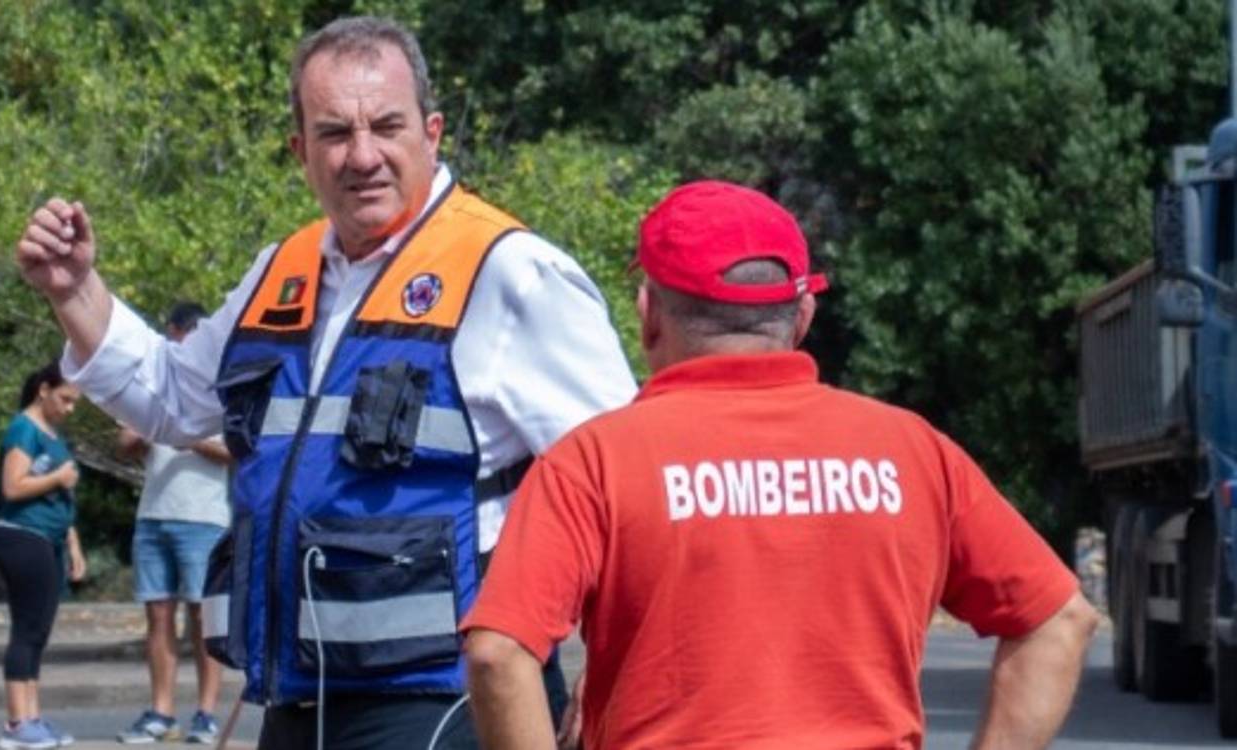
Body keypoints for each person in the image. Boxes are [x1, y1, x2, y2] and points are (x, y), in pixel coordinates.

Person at [14, 15, 636, 749]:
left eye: (387, 126)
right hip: (296, 701)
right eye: (335, 132)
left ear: (432, 133)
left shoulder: (511, 271)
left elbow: (623, 485)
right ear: (300, 150)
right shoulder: (282, 269)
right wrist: (75, 292)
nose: (362, 155)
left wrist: (616, 666)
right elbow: (173, 400)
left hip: (444, 702)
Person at [462, 180, 1101, 749]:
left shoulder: (594, 461)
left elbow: (497, 653)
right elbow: (1058, 620)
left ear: (649, 313)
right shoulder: (913, 451)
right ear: (802, 316)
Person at [115, 302, 232, 745]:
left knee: (203, 618)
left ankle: (205, 713)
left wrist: (187, 434)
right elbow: (126, 439)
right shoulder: (155, 384)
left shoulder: (221, 388)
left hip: (203, 517)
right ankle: (160, 710)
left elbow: (236, 453)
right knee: (158, 615)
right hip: (154, 514)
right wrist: (154, 426)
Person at [0, 361, 87, 750]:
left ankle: (32, 716)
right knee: (26, 628)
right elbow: (13, 487)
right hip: (21, 536)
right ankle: (16, 722)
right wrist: (57, 477)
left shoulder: (52, 434)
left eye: (74, 403)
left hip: (49, 537)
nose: (68, 409)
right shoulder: (23, 429)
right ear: (44, 390)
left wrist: (73, 544)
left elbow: (60, 501)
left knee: (40, 630)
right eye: (64, 399)